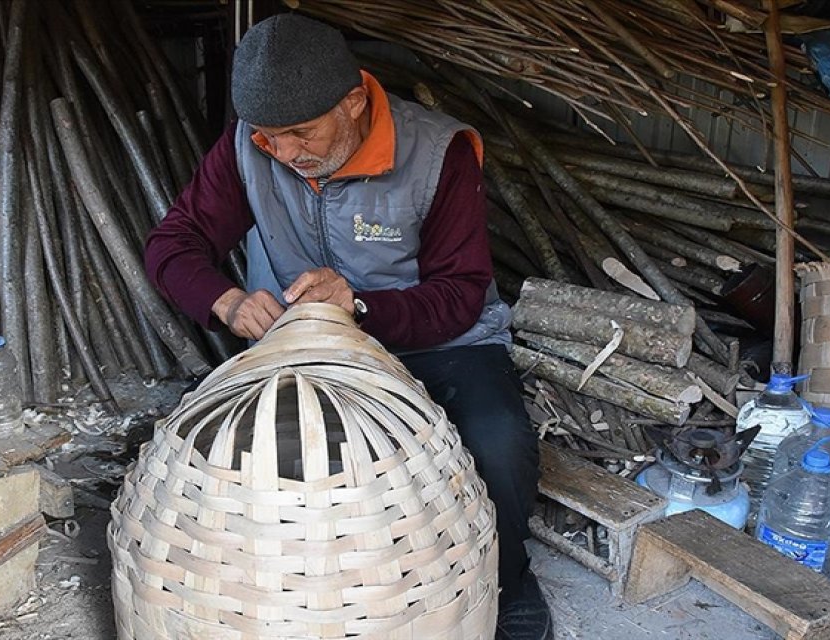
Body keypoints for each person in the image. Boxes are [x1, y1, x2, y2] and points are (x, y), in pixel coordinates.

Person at [144, 14, 549, 640]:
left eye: (301, 134)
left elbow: (461, 296)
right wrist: (225, 302)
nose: (284, 153)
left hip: (435, 340)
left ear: (354, 102)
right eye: (270, 138)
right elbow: (174, 243)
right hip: (310, 343)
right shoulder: (249, 146)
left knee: (497, 440)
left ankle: (510, 580)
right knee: (261, 463)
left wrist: (359, 307)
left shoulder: (440, 153)